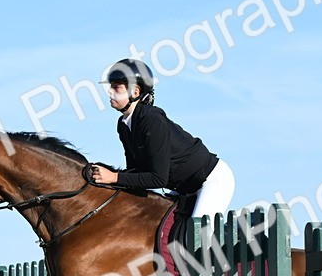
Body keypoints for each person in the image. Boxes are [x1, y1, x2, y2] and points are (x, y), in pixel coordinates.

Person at [88, 58, 235, 220]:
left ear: (135, 92)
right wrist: (106, 176)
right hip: (183, 188)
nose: (110, 91)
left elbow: (158, 179)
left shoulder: (151, 119)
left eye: (116, 87)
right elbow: (135, 172)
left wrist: (114, 177)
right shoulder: (123, 125)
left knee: (197, 231)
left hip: (211, 181)